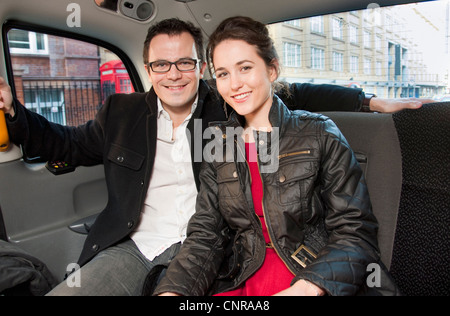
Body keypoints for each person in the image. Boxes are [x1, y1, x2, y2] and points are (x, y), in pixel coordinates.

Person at [0, 18, 412, 296]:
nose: (173, 73)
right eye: (161, 64)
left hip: (232, 253)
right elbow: (67, 144)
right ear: (147, 69)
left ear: (199, 68)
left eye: (185, 62)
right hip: (144, 245)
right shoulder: (126, 115)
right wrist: (14, 114)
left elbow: (295, 93)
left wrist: (368, 100)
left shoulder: (232, 113)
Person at [155, 16, 399, 296]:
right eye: (222, 74)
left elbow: (356, 231)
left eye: (245, 68)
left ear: (272, 70)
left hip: (314, 275)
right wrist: (172, 291)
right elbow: (206, 236)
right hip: (243, 274)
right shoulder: (218, 143)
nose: (234, 84)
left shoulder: (318, 132)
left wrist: (308, 289)